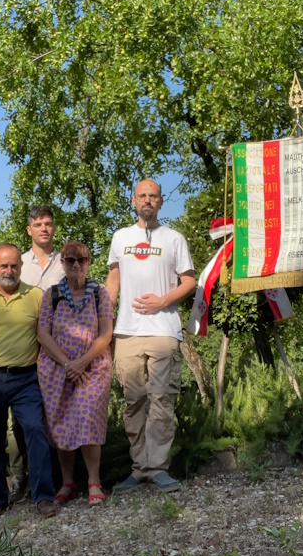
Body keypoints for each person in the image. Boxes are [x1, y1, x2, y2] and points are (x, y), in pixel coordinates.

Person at [106, 179, 196, 493]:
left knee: (162, 401)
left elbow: (189, 282)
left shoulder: (174, 239)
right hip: (127, 332)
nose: (147, 200)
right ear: (133, 201)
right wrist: (105, 322)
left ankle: (158, 469)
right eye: (142, 195)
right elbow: (113, 281)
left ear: (160, 202)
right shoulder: (120, 237)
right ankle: (138, 468)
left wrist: (163, 300)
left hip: (163, 330)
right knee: (133, 403)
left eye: (153, 196)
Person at [0, 243, 57, 518]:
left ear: (21, 266)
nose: (9, 270)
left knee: (35, 431)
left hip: (26, 379)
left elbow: (47, 335)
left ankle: (43, 497)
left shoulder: (37, 296)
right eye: (3, 265)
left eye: (14, 265)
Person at [37, 240, 114, 506]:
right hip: (56, 370)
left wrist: (82, 362)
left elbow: (106, 333)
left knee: (88, 418)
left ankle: (94, 481)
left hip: (93, 369)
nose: (76, 265)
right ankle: (68, 482)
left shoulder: (99, 293)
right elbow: (42, 334)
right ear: (62, 264)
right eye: (70, 260)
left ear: (89, 263)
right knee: (60, 421)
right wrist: (68, 364)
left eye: (82, 259)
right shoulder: (51, 295)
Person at [8, 206, 66, 502]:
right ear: (29, 229)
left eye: (48, 223)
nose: (44, 228)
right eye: (38, 224)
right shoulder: (18, 263)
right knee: (24, 418)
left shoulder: (65, 260)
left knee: (56, 411)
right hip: (25, 345)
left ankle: (58, 480)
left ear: (54, 228)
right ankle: (24, 478)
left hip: (59, 345)